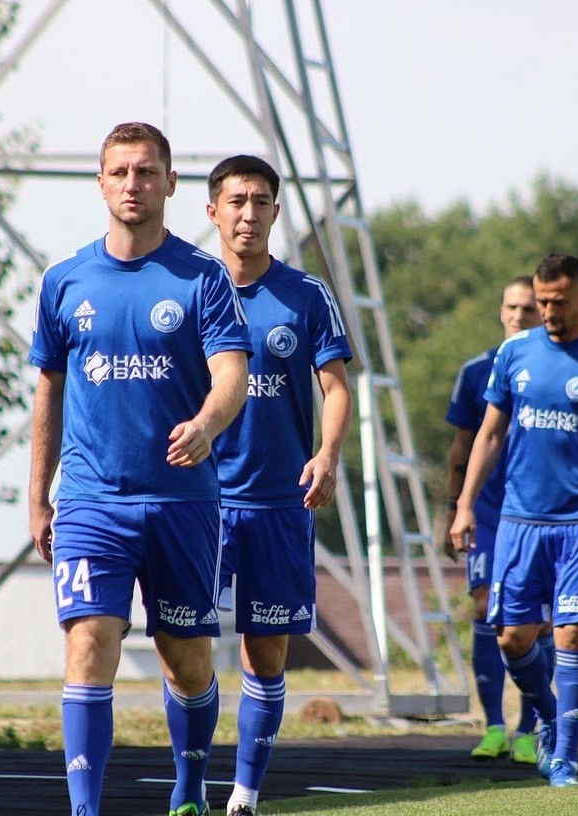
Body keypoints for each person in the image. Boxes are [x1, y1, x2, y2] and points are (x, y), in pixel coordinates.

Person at [28, 122, 253, 816]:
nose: (134, 184)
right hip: (91, 500)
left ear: (170, 184)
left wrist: (206, 424)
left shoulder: (203, 278)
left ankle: (189, 786)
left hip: (182, 502)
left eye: (147, 172)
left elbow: (232, 375)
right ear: (101, 183)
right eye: (121, 172)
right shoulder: (65, 281)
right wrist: (37, 498)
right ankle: (84, 809)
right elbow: (48, 391)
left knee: (185, 657)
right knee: (89, 641)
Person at [449, 253, 578, 788]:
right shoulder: (515, 352)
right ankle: (547, 714)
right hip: (519, 519)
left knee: (572, 636)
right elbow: (488, 433)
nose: (547, 311)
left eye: (558, 302)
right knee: (513, 639)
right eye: (542, 302)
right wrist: (465, 503)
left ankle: (564, 758)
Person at [205, 154, 353, 816]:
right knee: (185, 647)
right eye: (236, 201)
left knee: (265, 653)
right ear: (213, 211)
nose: (248, 214)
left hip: (277, 502)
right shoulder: (188, 289)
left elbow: (336, 387)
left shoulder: (307, 295)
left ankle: (244, 794)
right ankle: (188, 786)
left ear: (275, 212)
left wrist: (328, 454)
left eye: (260, 202)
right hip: (200, 502)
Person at [440, 276, 547, 763]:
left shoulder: (552, 367)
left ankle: (529, 729)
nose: (519, 316)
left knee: (535, 622)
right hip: (485, 510)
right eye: (512, 307)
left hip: (538, 511)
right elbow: (462, 447)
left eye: (528, 308)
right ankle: (495, 727)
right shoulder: (476, 371)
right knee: (485, 607)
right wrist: (453, 507)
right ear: (501, 310)